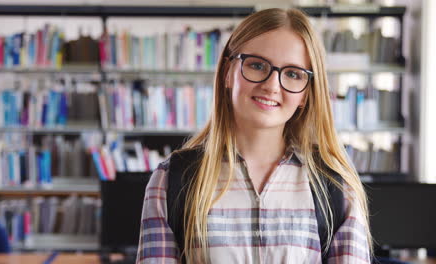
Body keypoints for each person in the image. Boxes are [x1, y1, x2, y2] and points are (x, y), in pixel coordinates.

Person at [136, 8, 372, 264]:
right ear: (228, 71)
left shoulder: (336, 184)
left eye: (293, 74)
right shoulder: (171, 180)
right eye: (257, 65)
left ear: (306, 93)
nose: (271, 85)